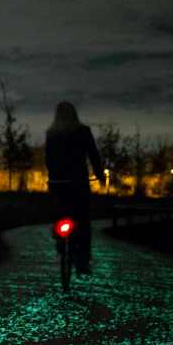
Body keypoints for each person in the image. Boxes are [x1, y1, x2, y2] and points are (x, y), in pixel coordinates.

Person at [45, 101, 104, 274]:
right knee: (83, 220)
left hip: (57, 182)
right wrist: (99, 175)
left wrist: (53, 176)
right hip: (78, 182)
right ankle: (82, 261)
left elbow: (48, 159)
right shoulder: (83, 131)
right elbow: (93, 155)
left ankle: (59, 241)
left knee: (59, 212)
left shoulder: (51, 133)